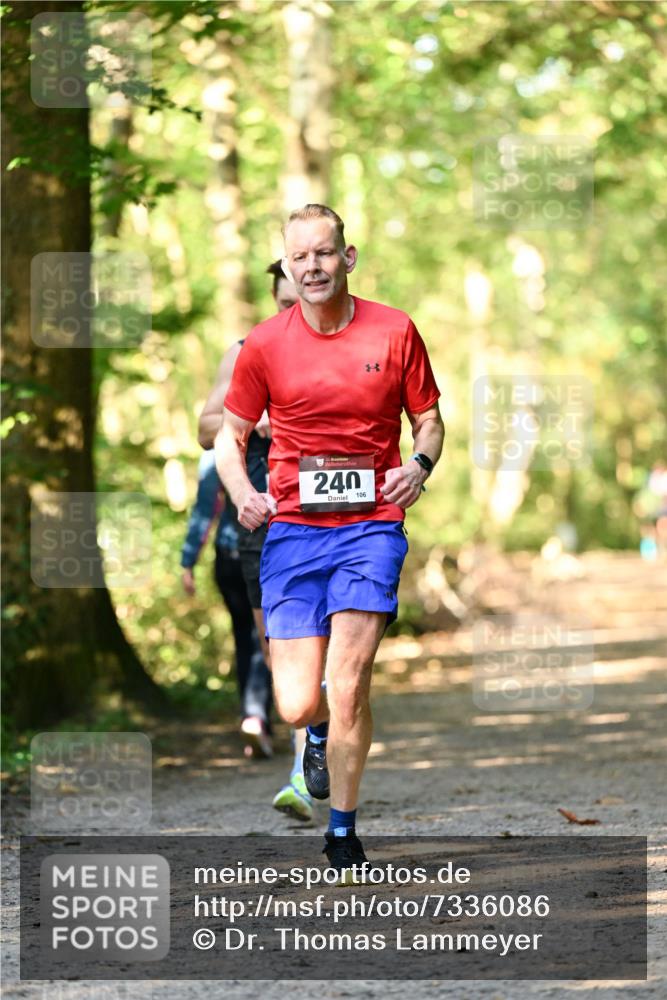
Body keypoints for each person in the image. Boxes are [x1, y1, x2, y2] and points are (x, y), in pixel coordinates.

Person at [216, 204, 444, 881]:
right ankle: (312, 734)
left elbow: (428, 421)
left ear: (347, 257)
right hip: (291, 531)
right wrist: (242, 493)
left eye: (323, 253)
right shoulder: (263, 344)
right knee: (296, 702)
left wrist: (418, 467)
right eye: (298, 257)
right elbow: (229, 439)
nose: (311, 266)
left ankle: (342, 833)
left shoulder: (394, 329)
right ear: (286, 266)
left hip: (371, 525)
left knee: (348, 684)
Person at [199, 262, 313, 822]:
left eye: (305, 301)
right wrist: (254, 415)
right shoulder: (249, 350)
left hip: (336, 514)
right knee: (281, 650)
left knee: (340, 645)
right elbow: (205, 428)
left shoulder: (351, 340)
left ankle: (315, 758)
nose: (297, 313)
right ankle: (304, 764)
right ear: (273, 301)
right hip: (263, 516)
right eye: (286, 304)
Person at [180, 449, 273, 757]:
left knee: (243, 636)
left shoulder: (216, 453)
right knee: (265, 636)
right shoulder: (275, 440)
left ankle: (254, 717)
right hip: (265, 550)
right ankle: (257, 716)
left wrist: (188, 560)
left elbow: (204, 509)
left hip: (228, 556)